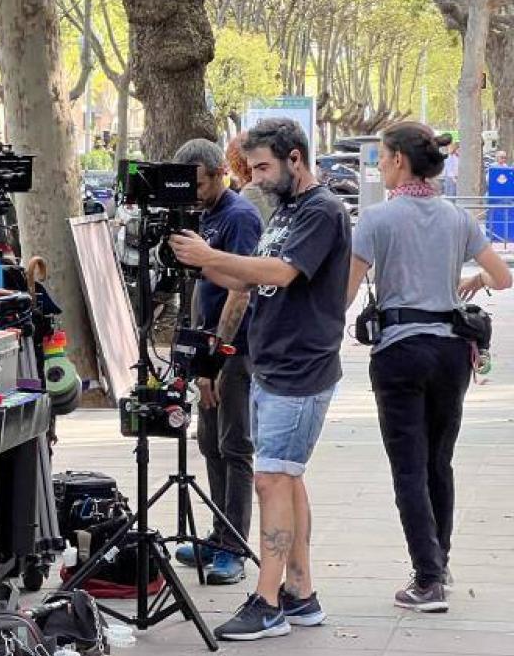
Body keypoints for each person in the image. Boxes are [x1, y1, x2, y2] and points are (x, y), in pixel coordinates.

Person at [170, 118, 350, 641]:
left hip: (301, 367)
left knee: (271, 478)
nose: (258, 177)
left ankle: (268, 601)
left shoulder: (322, 211)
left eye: (266, 166)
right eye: (253, 167)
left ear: (296, 159)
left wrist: (211, 255)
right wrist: (197, 262)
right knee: (286, 476)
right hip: (275, 364)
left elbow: (280, 273)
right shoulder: (289, 210)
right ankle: (301, 593)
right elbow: (246, 275)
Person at [345, 122, 511, 612]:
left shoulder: (376, 220)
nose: (378, 165)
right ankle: (441, 558)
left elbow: (345, 295)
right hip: (450, 353)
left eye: (382, 157)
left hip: (399, 351)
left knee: (408, 468)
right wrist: (476, 276)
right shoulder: (456, 218)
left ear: (399, 162)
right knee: (439, 460)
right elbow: (501, 277)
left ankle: (428, 578)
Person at [170, 139, 263, 585]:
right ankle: (218, 532)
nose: (196, 193)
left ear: (220, 173)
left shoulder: (239, 216)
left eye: (201, 184)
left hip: (236, 350)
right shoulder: (203, 215)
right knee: (210, 442)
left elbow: (241, 288)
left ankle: (234, 547)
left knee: (234, 445)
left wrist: (218, 360)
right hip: (208, 348)